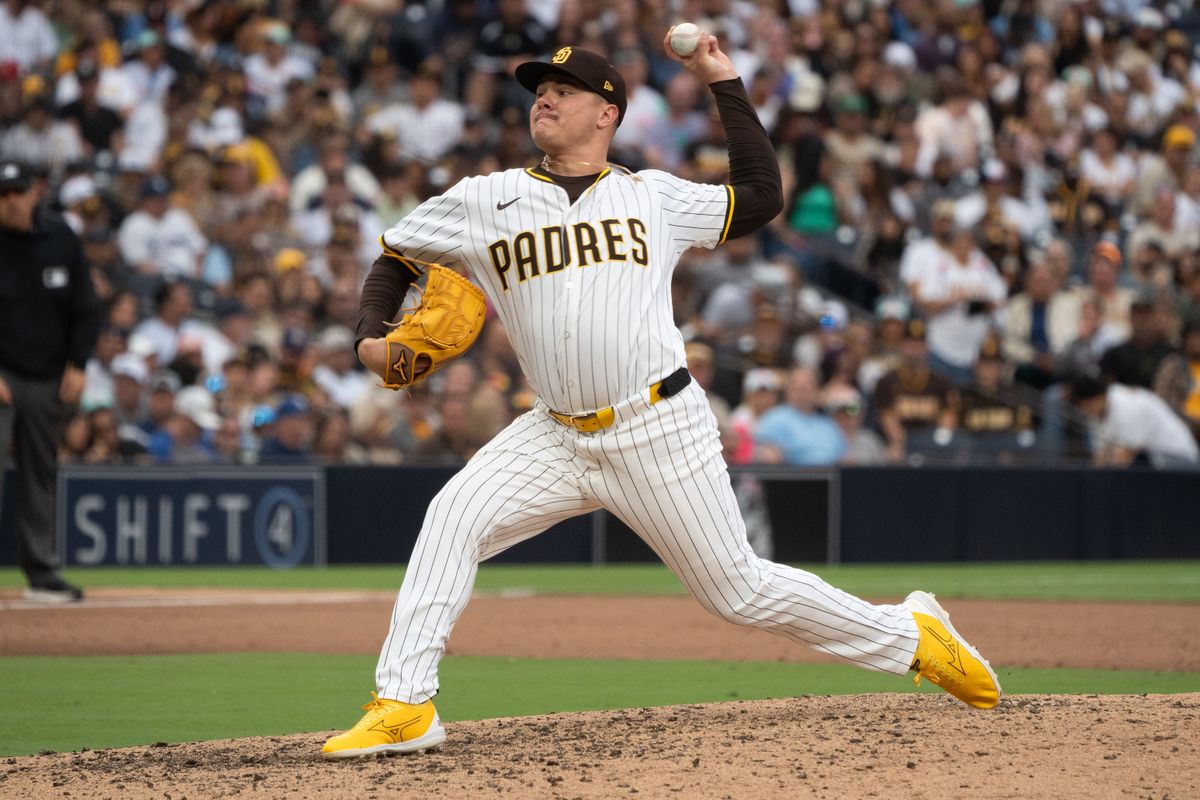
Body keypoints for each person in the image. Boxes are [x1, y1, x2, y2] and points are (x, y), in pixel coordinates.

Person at [323, 38, 1001, 759]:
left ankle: (910, 635)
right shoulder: (483, 199)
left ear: (606, 112)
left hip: (657, 426)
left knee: (737, 593)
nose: (544, 97)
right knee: (452, 517)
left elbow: (762, 197)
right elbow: (396, 254)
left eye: (566, 88)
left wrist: (723, 82)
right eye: (539, 88)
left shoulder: (654, 197)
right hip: (552, 434)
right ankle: (405, 703)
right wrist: (369, 337)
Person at [0, 159, 102, 602]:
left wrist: (78, 364)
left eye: (16, 192)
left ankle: (41, 574)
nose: (9, 202)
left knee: (40, 475)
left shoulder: (60, 238)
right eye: (2, 194)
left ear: (35, 192)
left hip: (46, 377)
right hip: (2, 374)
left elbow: (86, 306)